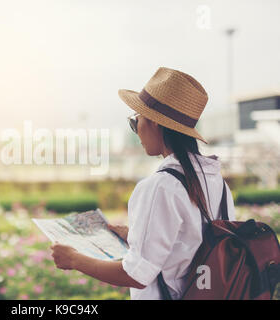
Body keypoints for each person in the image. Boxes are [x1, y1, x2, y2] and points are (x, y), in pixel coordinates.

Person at [50, 67, 236, 300]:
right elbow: (191, 248)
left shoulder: (160, 187)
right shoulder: (216, 181)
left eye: (135, 121)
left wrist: (74, 259)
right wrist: (134, 236)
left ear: (155, 122)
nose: (136, 130)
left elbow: (136, 275)